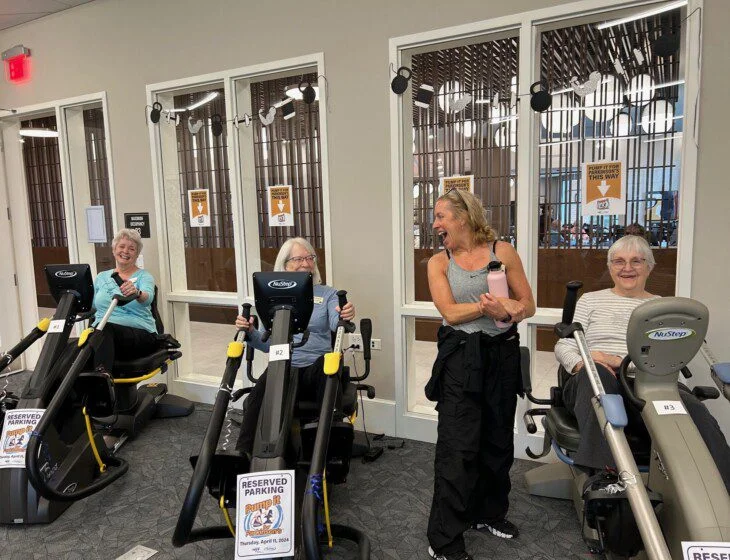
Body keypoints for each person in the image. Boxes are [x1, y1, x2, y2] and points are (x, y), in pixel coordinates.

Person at [555, 235, 730, 491]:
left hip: (650, 384)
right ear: (610, 266)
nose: (627, 268)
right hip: (594, 378)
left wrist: (619, 361)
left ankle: (723, 486)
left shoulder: (661, 307)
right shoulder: (590, 300)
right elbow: (564, 345)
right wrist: (585, 362)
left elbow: (669, 359)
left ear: (649, 267)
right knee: (599, 378)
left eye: (636, 261)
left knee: (692, 407)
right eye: (619, 261)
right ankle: (604, 479)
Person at [424, 189, 535, 560]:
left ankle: (489, 514)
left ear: (465, 216)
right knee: (458, 446)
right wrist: (488, 308)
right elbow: (450, 313)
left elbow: (528, 304)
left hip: (502, 355)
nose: (435, 223)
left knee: (497, 440)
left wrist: (511, 312)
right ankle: (444, 540)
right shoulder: (438, 262)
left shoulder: (502, 252)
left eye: (441, 216)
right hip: (461, 357)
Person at [234, 237, 355, 455]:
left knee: (327, 367)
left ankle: (329, 449)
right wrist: (250, 333)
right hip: (283, 364)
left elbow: (338, 323)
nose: (306, 263)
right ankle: (242, 453)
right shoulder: (271, 295)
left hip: (316, 366)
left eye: (310, 257)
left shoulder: (327, 294)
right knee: (256, 397)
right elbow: (266, 343)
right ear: (285, 264)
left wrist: (345, 314)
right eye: (298, 258)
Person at [91, 228, 158, 372]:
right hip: (101, 333)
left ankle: (102, 382)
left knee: (103, 331)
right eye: (121, 246)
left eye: (131, 249)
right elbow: (90, 306)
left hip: (139, 333)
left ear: (137, 254)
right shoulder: (102, 277)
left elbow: (148, 298)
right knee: (71, 350)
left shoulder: (144, 277)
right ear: (114, 249)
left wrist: (137, 292)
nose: (125, 251)